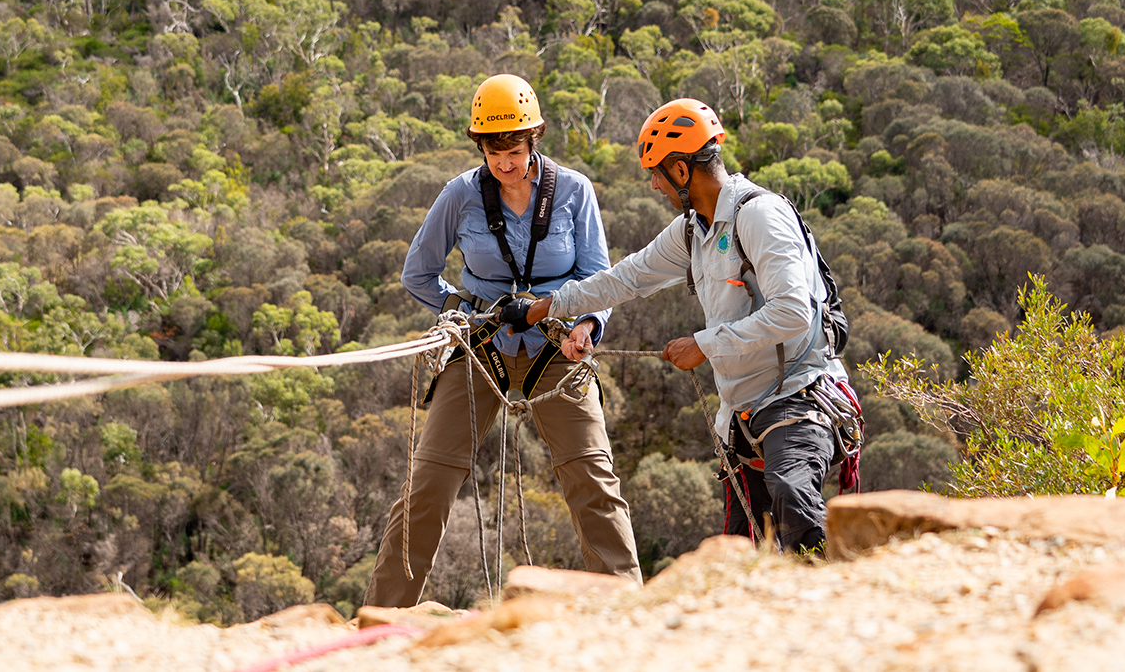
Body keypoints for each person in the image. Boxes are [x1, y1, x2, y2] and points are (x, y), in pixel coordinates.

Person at [511, 98, 851, 553]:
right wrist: (542, 309)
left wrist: (705, 345)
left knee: (794, 500)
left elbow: (794, 311)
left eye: (656, 172)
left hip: (798, 397)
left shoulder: (759, 216)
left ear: (682, 170)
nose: (654, 185)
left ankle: (831, 607)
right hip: (746, 419)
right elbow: (626, 278)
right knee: (741, 554)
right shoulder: (694, 230)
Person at [362, 74, 641, 606]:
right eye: (493, 151)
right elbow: (417, 274)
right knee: (428, 486)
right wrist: (463, 311)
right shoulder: (461, 196)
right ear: (480, 146)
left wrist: (586, 327)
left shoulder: (574, 191)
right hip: (480, 348)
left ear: (534, 138)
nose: (505, 163)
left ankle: (626, 612)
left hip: (556, 348)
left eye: (514, 149)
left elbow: (598, 278)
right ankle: (382, 619)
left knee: (593, 481)